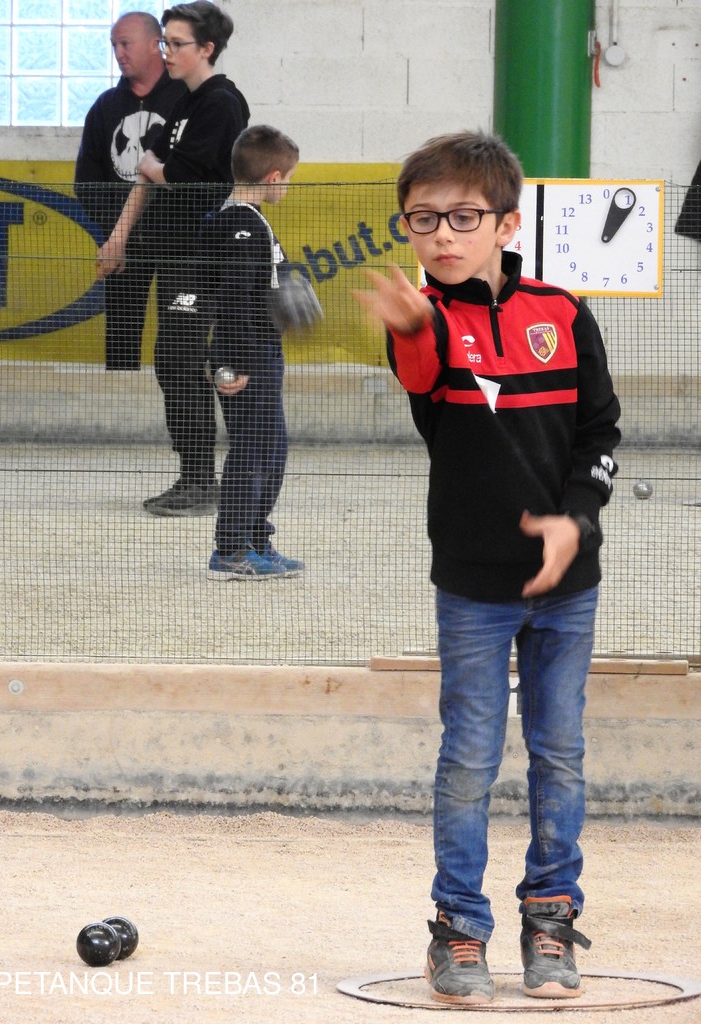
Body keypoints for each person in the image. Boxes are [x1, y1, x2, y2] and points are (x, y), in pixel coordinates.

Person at [356, 131, 621, 1005]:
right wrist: (410, 327)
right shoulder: (424, 320)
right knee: (469, 760)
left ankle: (551, 919)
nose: (441, 234)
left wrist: (576, 520)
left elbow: (600, 433)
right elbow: (421, 370)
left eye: (463, 217)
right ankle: (459, 930)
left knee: (560, 754)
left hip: (567, 587)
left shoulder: (564, 313)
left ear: (507, 224)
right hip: (472, 586)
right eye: (422, 219)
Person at [96, 1, 250, 516]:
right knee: (173, 362)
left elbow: (187, 177)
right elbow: (148, 172)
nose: (167, 52)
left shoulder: (222, 103)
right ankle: (193, 475)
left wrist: (158, 167)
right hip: (170, 250)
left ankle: (203, 481)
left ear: (206, 48)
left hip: (201, 255)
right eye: (164, 42)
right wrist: (118, 238)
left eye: (177, 43)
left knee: (182, 360)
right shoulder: (184, 103)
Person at [204, 125, 305, 579]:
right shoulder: (239, 224)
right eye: (288, 179)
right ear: (273, 177)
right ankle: (230, 550)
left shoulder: (249, 219)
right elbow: (234, 299)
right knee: (251, 451)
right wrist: (235, 363)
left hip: (262, 350)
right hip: (248, 356)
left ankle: (255, 538)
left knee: (271, 448)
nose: (287, 186)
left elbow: (261, 288)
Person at [74, 12, 185, 371]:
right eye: (114, 45)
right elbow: (86, 182)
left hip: (179, 240)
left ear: (155, 45)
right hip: (123, 243)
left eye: (125, 44)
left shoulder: (187, 99)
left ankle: (181, 399)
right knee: (121, 336)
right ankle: (120, 402)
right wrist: (117, 232)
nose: (118, 53)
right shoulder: (105, 106)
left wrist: (171, 223)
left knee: (181, 334)